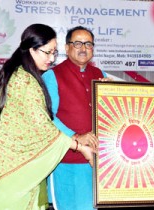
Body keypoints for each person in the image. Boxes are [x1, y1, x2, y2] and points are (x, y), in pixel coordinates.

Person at [0, 23, 94, 209]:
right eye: (47, 52)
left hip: (19, 167)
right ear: (31, 49)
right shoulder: (26, 80)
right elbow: (45, 125)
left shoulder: (21, 74)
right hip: (14, 169)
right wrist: (78, 144)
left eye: (89, 44)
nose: (51, 58)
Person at [42, 26, 104, 210]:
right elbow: (47, 117)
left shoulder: (100, 75)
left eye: (88, 44)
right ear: (67, 48)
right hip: (67, 160)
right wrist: (76, 136)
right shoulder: (52, 76)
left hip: (99, 160)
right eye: (77, 43)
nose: (83, 48)